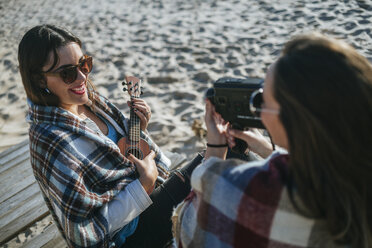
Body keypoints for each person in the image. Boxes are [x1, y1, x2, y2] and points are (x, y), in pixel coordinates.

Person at [173, 33, 372, 248]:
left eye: (262, 101)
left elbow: (189, 230)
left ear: (292, 117)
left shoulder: (260, 192)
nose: (259, 112)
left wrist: (215, 148)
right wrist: (269, 149)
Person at [18, 24, 203, 248]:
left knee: (225, 159)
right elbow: (85, 232)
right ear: (40, 80)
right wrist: (143, 185)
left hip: (154, 195)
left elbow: (121, 157)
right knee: (223, 160)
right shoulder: (50, 142)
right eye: (67, 73)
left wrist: (139, 130)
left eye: (84, 64)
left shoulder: (93, 102)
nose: (81, 77)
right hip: (130, 234)